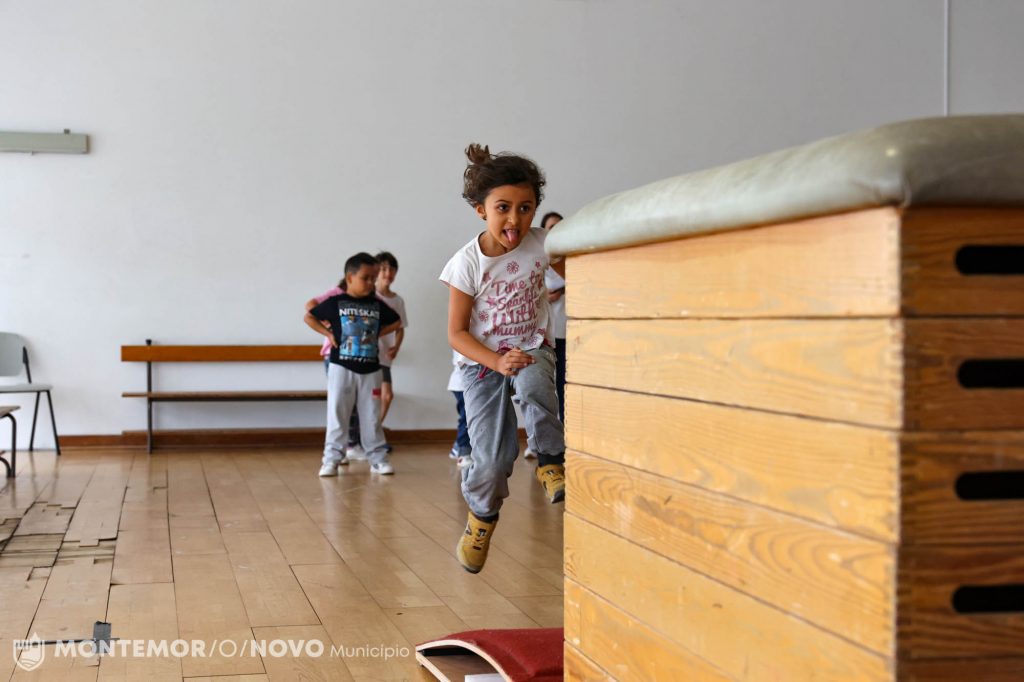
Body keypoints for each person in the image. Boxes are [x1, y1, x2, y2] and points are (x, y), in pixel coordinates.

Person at [439, 143, 566, 573]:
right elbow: (456, 333)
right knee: (494, 459)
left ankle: (550, 461)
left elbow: (577, 274)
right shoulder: (465, 264)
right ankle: (481, 517)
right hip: (482, 363)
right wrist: (495, 362)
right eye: (503, 208)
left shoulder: (542, 244)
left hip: (530, 345)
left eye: (525, 208)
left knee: (534, 385)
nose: (515, 219)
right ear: (481, 210)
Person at [306, 252, 401, 477]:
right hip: (341, 367)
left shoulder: (377, 305)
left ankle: (378, 458)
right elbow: (309, 316)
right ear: (350, 278)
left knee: (371, 415)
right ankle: (331, 459)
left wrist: (377, 333)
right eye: (365, 278)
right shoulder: (336, 303)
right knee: (338, 413)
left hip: (371, 369)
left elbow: (397, 321)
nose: (371, 283)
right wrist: (328, 334)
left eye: (373, 278)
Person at [305, 280, 363, 457]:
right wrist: (329, 328)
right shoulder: (336, 294)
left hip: (356, 355)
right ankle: (342, 448)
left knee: (355, 401)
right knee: (340, 401)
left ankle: (351, 444)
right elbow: (310, 306)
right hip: (334, 355)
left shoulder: (364, 299)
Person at [374, 251, 408, 439]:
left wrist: (396, 347)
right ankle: (364, 436)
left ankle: (373, 432)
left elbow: (400, 328)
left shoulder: (397, 300)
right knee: (369, 397)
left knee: (386, 396)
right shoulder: (369, 295)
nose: (388, 273)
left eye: (392, 269)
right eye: (384, 269)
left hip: (384, 356)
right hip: (367, 355)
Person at [540, 211, 567, 422]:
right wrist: (544, 296)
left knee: (565, 383)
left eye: (560, 226)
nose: (556, 230)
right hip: (546, 334)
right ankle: (546, 429)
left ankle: (567, 428)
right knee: (544, 384)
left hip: (567, 332)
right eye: (551, 227)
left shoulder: (572, 260)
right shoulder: (537, 262)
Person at [447, 351, 472, 469]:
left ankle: (457, 448)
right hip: (463, 384)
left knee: (469, 418)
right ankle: (463, 453)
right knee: (467, 418)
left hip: (466, 383)